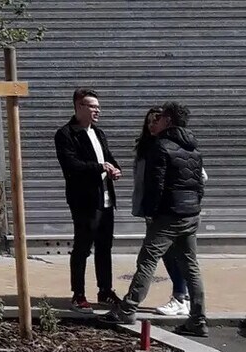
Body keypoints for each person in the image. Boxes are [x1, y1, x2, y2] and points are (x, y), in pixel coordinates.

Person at [110, 102, 207, 338]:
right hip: (190, 214)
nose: (157, 120)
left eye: (161, 117)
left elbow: (157, 185)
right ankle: (198, 318)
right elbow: (198, 184)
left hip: (167, 215)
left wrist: (151, 213)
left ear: (169, 120)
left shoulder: (161, 147)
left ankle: (128, 307)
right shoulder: (193, 149)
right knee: (191, 265)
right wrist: (193, 206)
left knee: (147, 259)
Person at [53, 89, 121, 309]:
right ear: (79, 107)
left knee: (105, 247)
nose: (97, 111)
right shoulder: (66, 134)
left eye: (98, 107)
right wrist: (100, 167)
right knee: (83, 247)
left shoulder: (99, 133)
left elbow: (109, 158)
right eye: (92, 106)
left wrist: (116, 169)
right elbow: (71, 166)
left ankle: (105, 290)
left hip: (106, 199)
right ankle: (79, 293)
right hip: (85, 201)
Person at [132, 107, 194, 319]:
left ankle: (179, 298)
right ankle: (186, 303)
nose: (151, 124)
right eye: (148, 120)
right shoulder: (147, 147)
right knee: (173, 257)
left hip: (166, 213)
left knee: (160, 258)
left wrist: (163, 204)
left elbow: (198, 177)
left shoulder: (170, 147)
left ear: (166, 122)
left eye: (155, 120)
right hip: (155, 212)